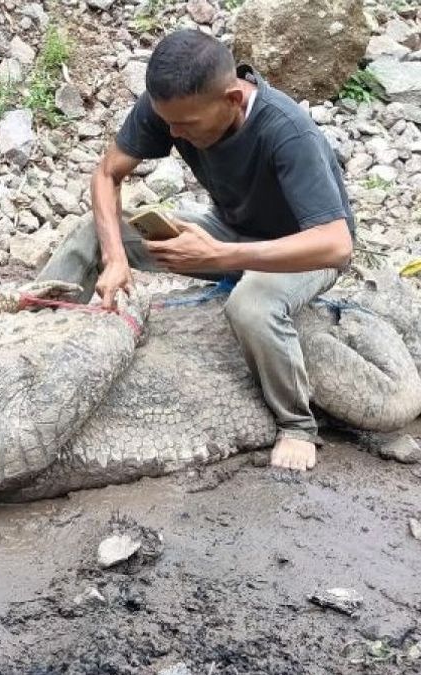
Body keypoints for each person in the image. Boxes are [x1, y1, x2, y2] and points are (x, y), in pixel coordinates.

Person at [36, 29, 355, 472]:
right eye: (167, 122)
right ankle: (35, 334)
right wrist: (115, 257)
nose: (172, 133)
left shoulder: (286, 131)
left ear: (232, 99)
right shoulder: (171, 105)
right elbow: (106, 174)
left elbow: (336, 244)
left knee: (251, 305)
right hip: (230, 228)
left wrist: (220, 258)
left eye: (185, 126)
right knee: (93, 232)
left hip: (301, 249)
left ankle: (297, 425)